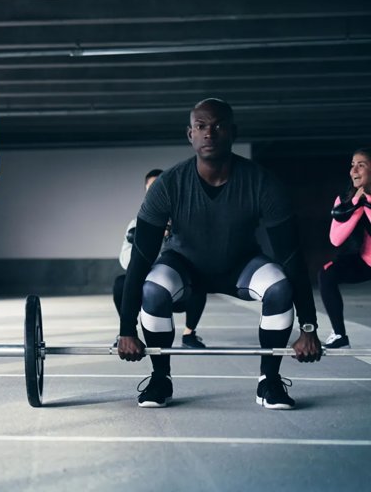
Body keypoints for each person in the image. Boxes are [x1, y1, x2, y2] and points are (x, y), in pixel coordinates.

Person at [117, 98, 322, 410]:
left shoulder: (262, 183)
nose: (209, 133)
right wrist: (126, 330)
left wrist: (308, 327)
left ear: (232, 132)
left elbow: (292, 258)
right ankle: (160, 378)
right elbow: (140, 259)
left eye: (218, 126)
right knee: (154, 288)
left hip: (239, 266)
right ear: (191, 134)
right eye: (201, 126)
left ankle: (269, 381)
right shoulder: (168, 184)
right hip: (183, 267)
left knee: (279, 285)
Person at [113, 169, 207, 348]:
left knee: (199, 282)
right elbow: (126, 263)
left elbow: (197, 256)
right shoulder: (136, 224)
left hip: (177, 286)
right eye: (152, 188)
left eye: (160, 187)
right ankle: (127, 335)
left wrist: (170, 238)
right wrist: (149, 241)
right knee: (120, 284)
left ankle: (189, 334)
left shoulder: (184, 220)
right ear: (146, 193)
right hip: (146, 284)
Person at [318, 147, 371, 349]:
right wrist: (357, 203)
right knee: (326, 274)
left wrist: (367, 202)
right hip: (363, 261)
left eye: (361, 165)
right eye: (352, 165)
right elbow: (336, 239)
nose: (354, 171)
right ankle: (339, 335)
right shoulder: (344, 200)